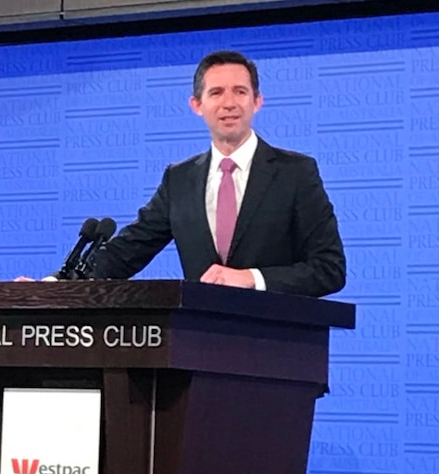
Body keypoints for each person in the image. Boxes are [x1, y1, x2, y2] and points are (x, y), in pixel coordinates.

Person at [87, 50, 345, 297]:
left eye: (240, 92)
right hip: (199, 337)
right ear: (197, 104)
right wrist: (63, 281)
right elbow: (128, 251)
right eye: (216, 93)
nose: (229, 103)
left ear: (257, 101)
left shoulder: (295, 173)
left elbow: (329, 269)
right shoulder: (179, 179)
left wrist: (251, 278)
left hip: (275, 336)